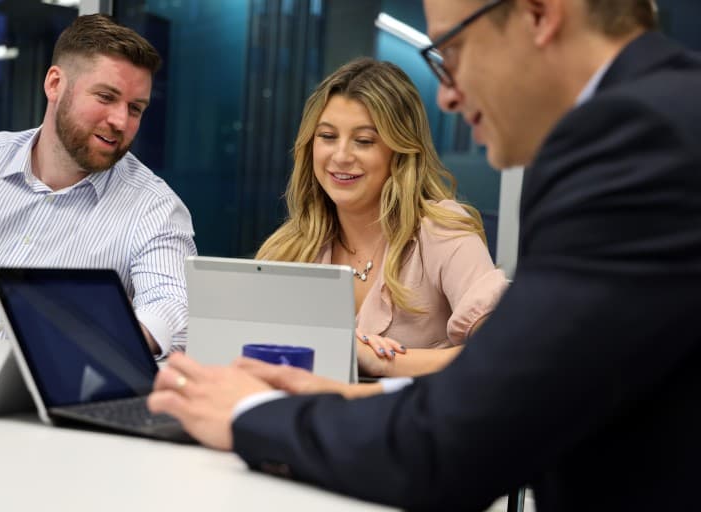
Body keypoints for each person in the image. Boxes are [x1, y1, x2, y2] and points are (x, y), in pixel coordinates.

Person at [149, 0, 701, 510]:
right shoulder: (659, 122)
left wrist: (251, 414)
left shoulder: (638, 139)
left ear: (539, 14)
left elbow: (469, 428)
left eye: (451, 50)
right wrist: (344, 391)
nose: (448, 96)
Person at [0, 14, 196, 355]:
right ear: (55, 84)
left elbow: (173, 310)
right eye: (105, 97)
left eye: (135, 108)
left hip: (61, 391)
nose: (120, 120)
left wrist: (90, 346)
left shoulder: (154, 207)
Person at [256, 57, 507, 377]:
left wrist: (379, 361)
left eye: (364, 141)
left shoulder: (440, 230)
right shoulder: (289, 249)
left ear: (400, 151)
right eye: (328, 136)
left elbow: (503, 350)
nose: (341, 156)